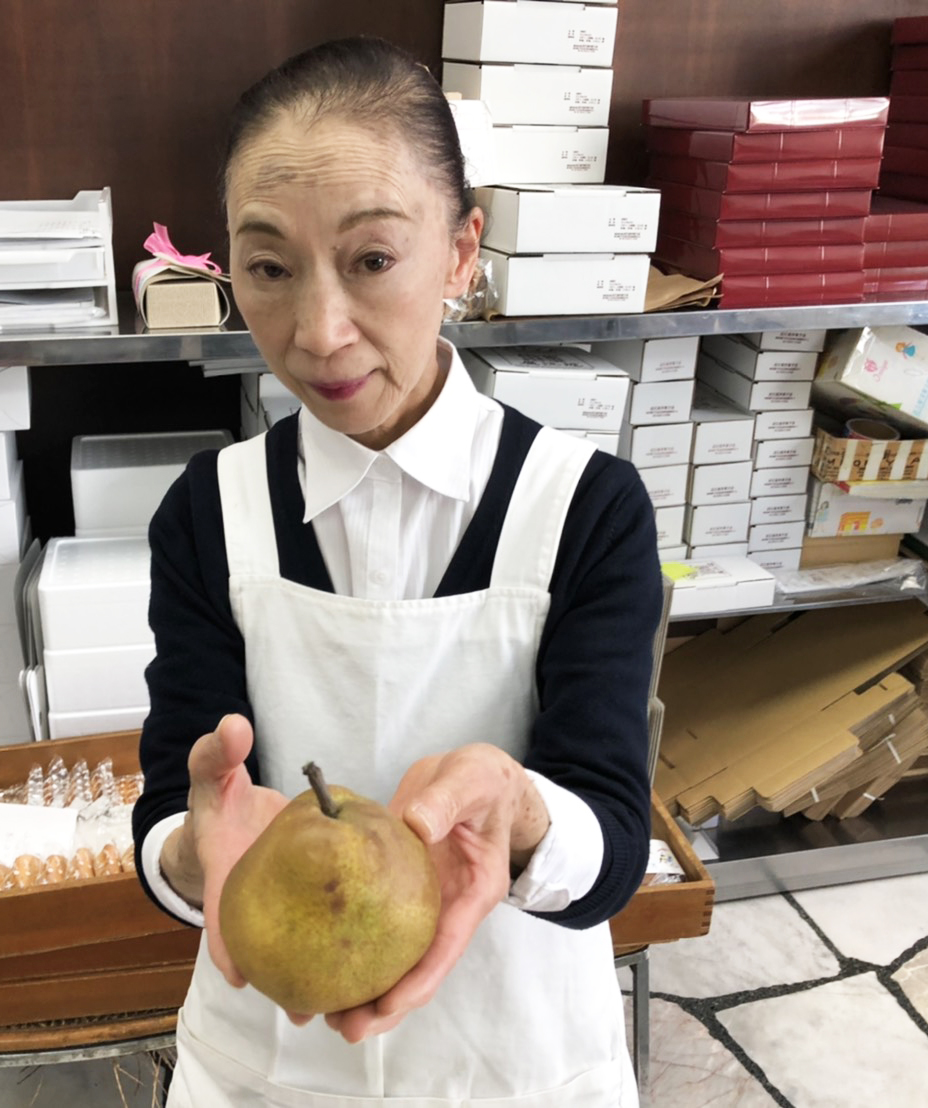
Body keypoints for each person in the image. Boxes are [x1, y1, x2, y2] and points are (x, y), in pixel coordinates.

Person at [132, 34, 663, 1108]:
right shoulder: (209, 514)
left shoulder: (584, 509)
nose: (319, 332)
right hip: (268, 1063)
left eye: (372, 259)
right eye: (269, 267)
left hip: (515, 1061)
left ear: (463, 252)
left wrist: (521, 813)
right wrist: (192, 854)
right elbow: (170, 806)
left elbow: (613, 841)